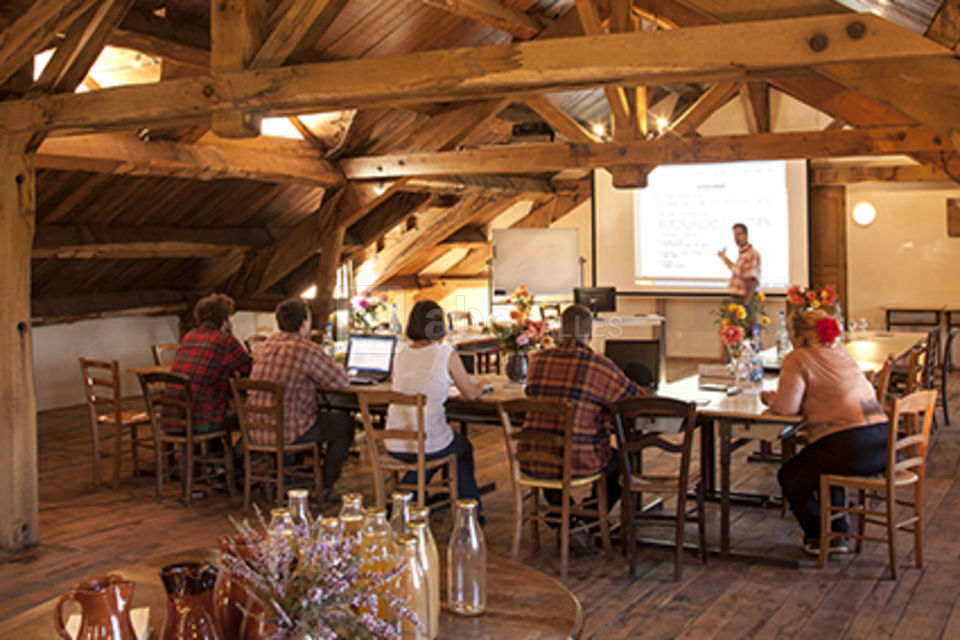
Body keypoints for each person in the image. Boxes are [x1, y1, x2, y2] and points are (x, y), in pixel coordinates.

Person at [761, 307, 888, 556]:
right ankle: (837, 532)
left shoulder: (798, 358)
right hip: (881, 443)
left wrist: (769, 400)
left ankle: (819, 535)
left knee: (791, 476)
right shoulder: (841, 354)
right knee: (823, 463)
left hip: (851, 446)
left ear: (797, 336)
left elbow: (787, 409)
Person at [521, 304, 644, 542]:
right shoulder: (599, 365)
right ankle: (586, 521)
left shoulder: (536, 362)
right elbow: (635, 401)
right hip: (579, 460)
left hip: (533, 458)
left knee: (549, 446)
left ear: (558, 332)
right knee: (622, 464)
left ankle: (565, 521)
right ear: (590, 335)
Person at [247, 298, 352, 502]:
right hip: (288, 431)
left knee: (302, 414)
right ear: (304, 324)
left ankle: (285, 480)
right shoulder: (306, 349)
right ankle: (325, 486)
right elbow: (341, 381)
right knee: (344, 425)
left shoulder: (266, 346)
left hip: (256, 430)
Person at [386, 299, 486, 512]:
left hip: (394, 443)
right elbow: (470, 394)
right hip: (426, 444)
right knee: (461, 447)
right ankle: (470, 511)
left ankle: (406, 499)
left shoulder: (401, 353)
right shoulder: (445, 353)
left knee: (437, 447)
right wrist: (483, 385)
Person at [167, 293, 252, 440]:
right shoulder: (224, 340)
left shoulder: (189, 336)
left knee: (215, 406)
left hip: (174, 420)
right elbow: (250, 368)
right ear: (224, 319)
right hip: (202, 422)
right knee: (252, 418)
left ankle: (216, 457)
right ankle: (237, 460)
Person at [718, 222, 761, 305]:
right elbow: (736, 270)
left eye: (739, 234)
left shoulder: (752, 254)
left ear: (746, 235)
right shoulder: (743, 254)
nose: (736, 238)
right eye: (735, 235)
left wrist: (744, 304)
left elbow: (753, 281)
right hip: (736, 298)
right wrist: (724, 258)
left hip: (744, 300)